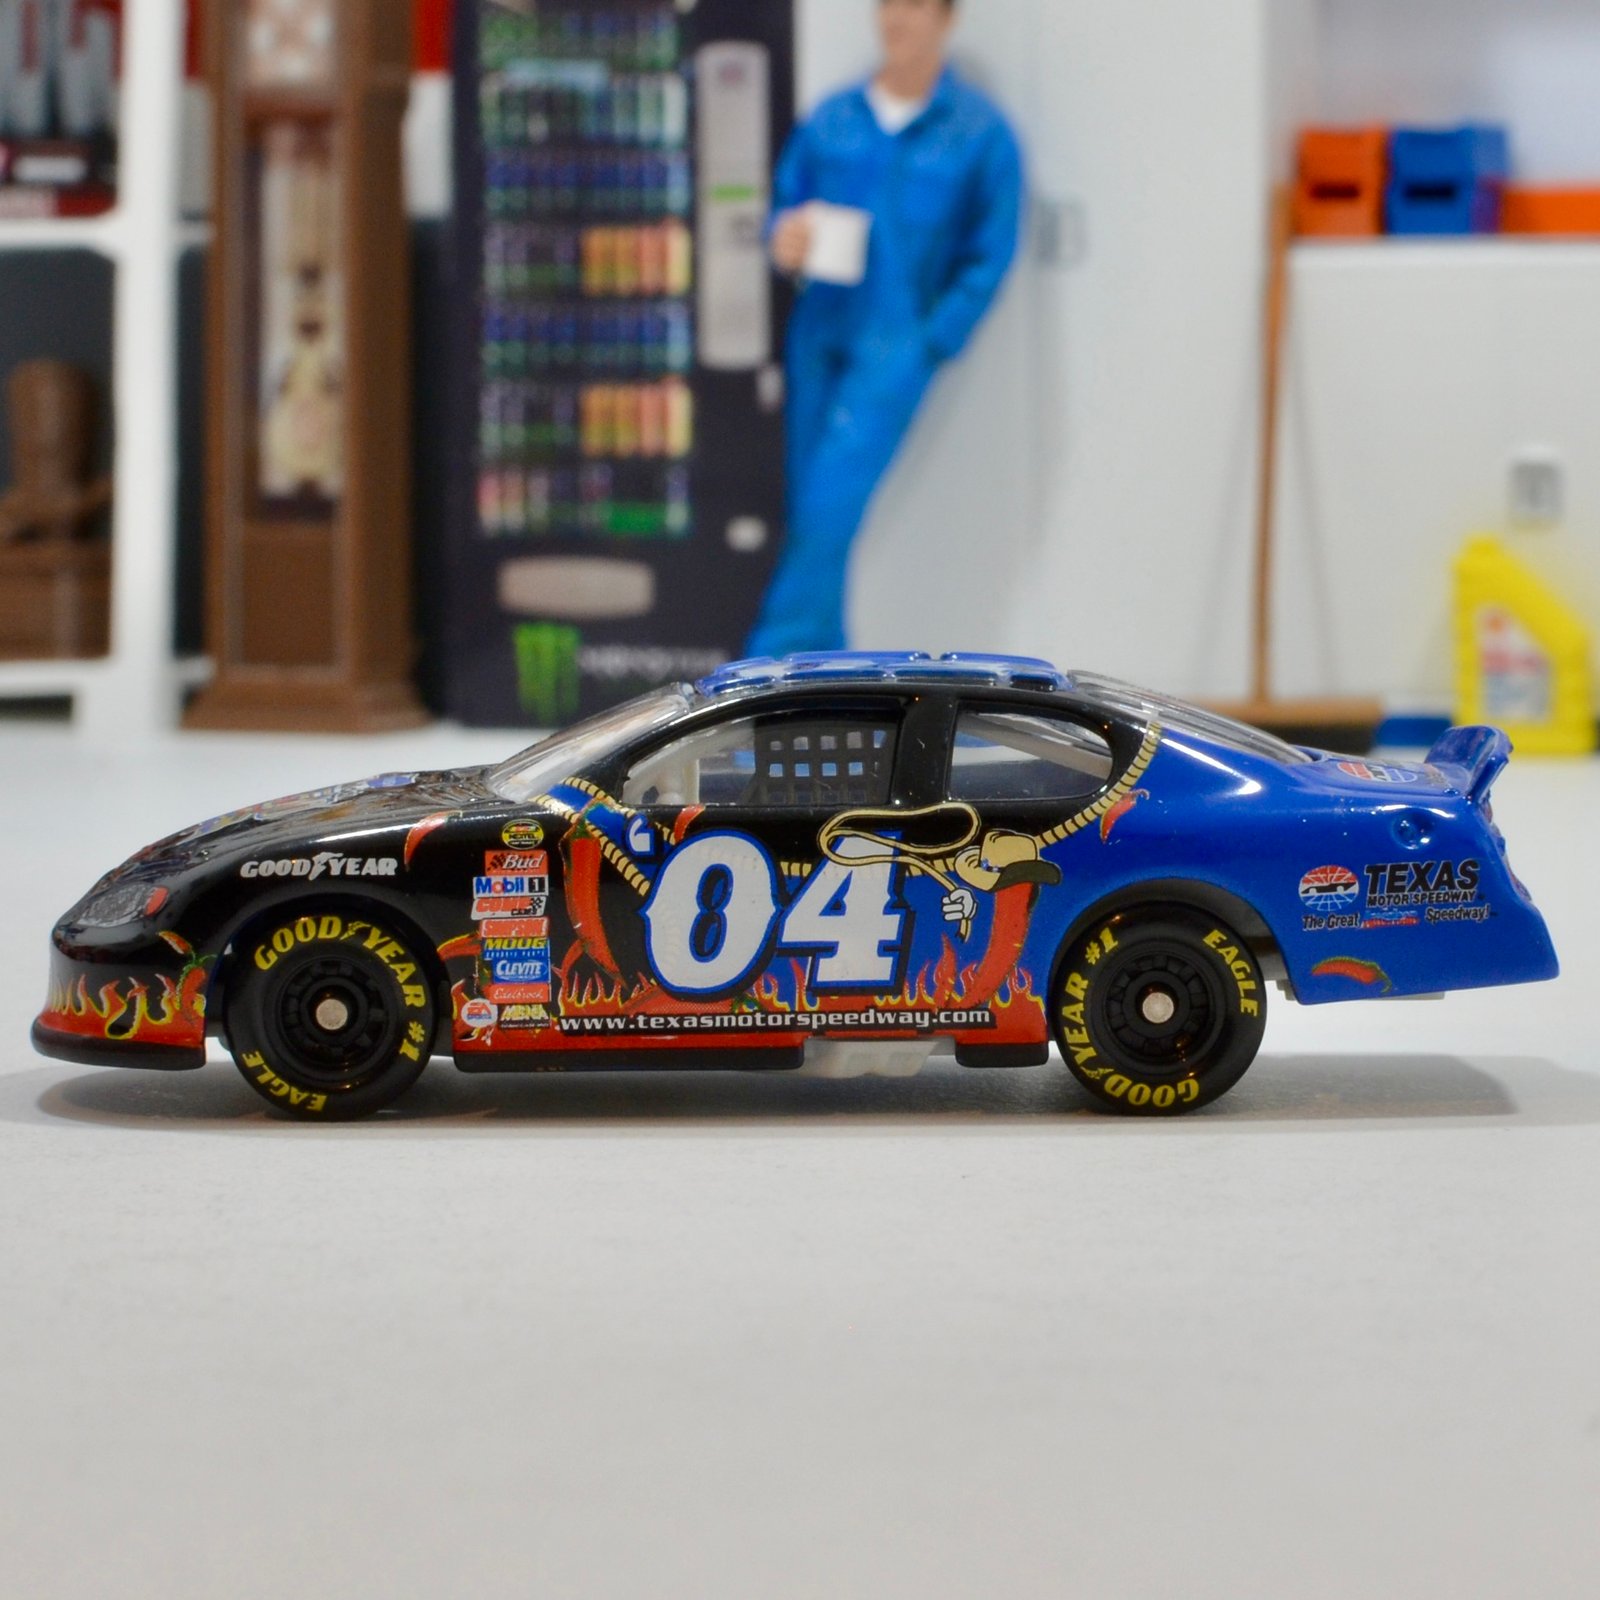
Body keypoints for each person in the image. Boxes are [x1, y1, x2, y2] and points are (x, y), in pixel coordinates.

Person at [746, 0, 1024, 659]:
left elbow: (990, 254)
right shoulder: (833, 118)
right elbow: (784, 205)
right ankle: (826, 667)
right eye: (888, 3)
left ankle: (767, 663)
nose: (898, 18)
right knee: (810, 512)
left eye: (915, 5)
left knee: (827, 508)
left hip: (892, 353)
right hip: (818, 337)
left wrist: (931, 342)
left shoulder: (980, 135)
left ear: (946, 18)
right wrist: (783, 239)